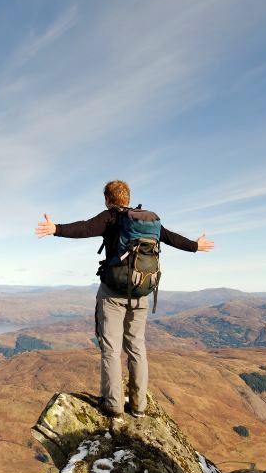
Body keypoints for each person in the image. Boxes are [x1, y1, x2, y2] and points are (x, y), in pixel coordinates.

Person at [35, 180, 214, 421]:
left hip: (113, 294)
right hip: (141, 293)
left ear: (108, 199)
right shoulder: (147, 223)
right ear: (128, 198)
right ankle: (139, 406)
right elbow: (171, 238)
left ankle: (114, 407)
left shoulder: (111, 217)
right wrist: (195, 246)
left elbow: (84, 228)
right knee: (136, 348)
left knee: (111, 349)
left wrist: (56, 228)